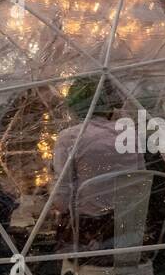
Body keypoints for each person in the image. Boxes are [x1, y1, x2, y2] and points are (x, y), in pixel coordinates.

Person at [50, 76, 143, 250]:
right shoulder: (129, 134)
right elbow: (140, 182)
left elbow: (61, 201)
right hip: (129, 232)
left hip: (89, 235)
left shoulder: (69, 137)